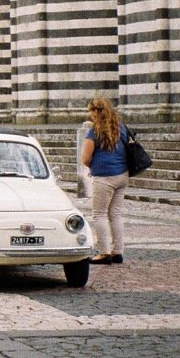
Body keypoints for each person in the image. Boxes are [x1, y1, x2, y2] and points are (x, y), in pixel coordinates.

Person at [81, 97, 129, 265]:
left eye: (92, 111)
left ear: (97, 111)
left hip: (104, 176)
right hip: (122, 175)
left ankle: (104, 252)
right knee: (115, 214)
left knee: (99, 214)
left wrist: (93, 166)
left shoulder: (95, 131)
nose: (91, 114)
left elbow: (86, 158)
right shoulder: (120, 127)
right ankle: (118, 252)